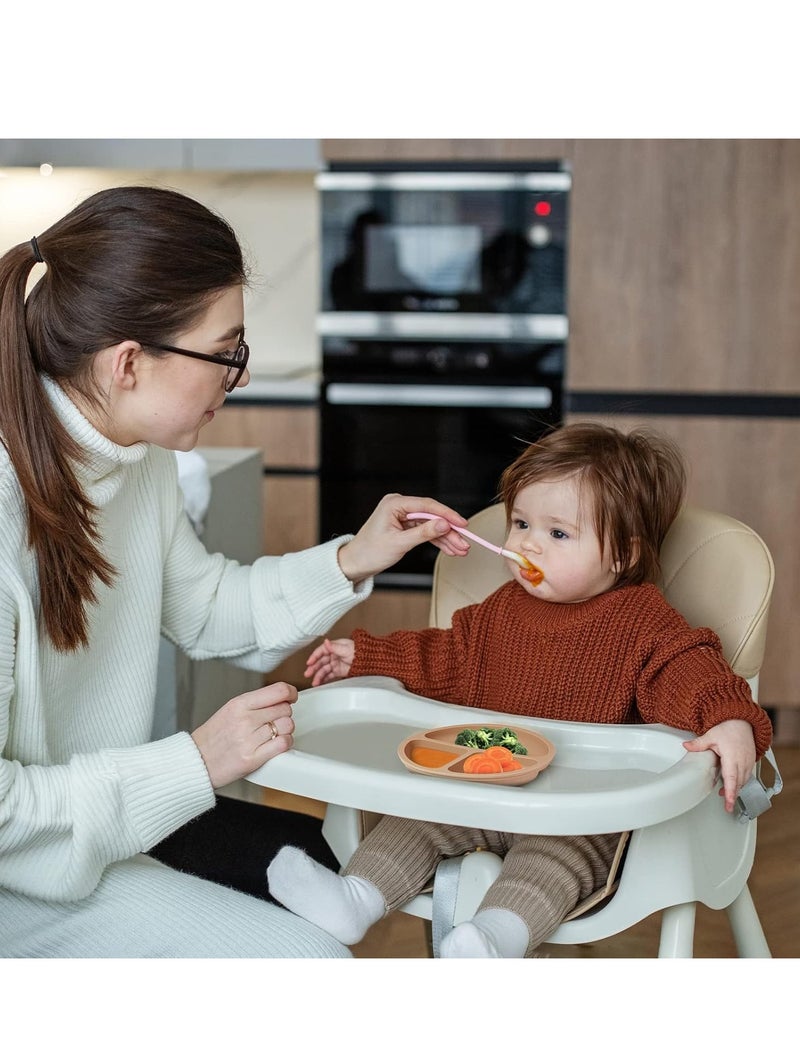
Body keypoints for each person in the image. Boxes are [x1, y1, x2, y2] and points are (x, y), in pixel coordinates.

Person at [0, 184, 470, 959]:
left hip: (77, 842)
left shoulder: (136, 459)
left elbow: (207, 606)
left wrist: (357, 554)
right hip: (22, 871)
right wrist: (197, 762)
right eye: (225, 353)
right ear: (128, 364)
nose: (239, 377)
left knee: (318, 877)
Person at [267, 422, 774, 959]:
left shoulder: (644, 623)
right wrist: (365, 656)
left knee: (552, 863)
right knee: (411, 823)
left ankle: (494, 938)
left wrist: (729, 719)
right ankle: (356, 898)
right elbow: (445, 657)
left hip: (575, 815)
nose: (527, 543)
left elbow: (691, 671)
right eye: (521, 522)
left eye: (558, 534)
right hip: (478, 790)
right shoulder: (503, 610)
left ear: (622, 556)